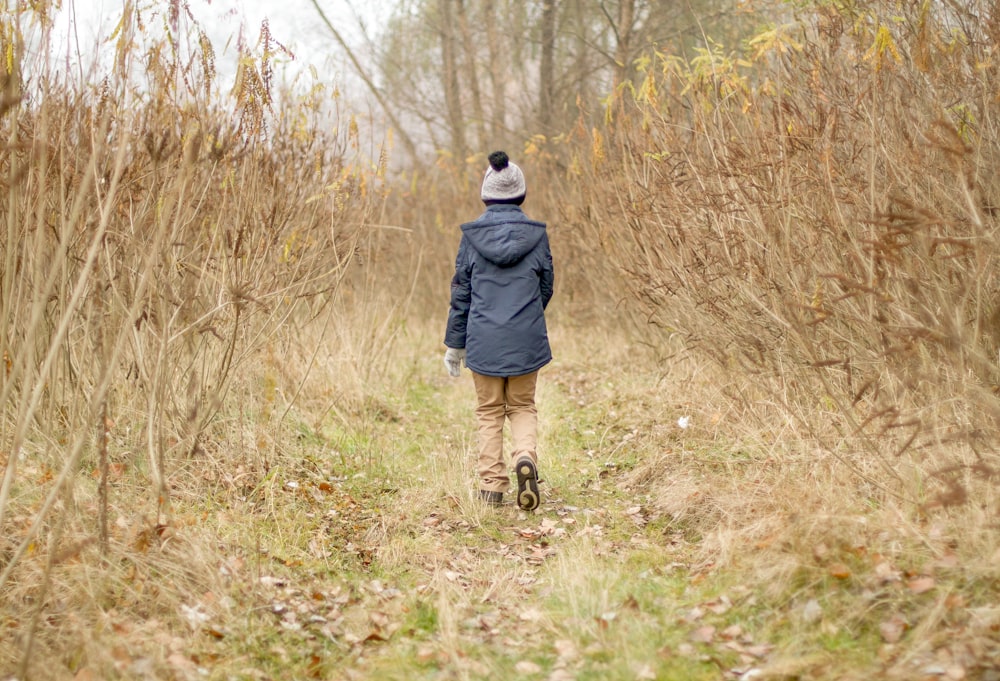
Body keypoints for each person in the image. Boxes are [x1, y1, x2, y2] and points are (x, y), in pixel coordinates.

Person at [443, 151, 554, 511]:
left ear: (485, 195)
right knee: (522, 405)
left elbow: (461, 294)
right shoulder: (537, 237)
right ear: (520, 194)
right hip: (525, 339)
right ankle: (526, 457)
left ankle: (492, 486)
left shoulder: (472, 240)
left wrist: (454, 345)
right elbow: (546, 286)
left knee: (489, 411)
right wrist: (527, 318)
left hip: (483, 338)